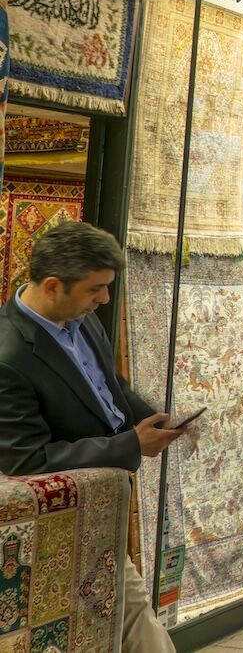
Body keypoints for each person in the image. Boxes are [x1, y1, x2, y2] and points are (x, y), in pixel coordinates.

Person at [0, 223, 184, 653]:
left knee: (135, 615)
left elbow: (105, 385)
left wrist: (151, 419)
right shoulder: (8, 356)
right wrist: (131, 446)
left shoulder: (78, 319)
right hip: (56, 526)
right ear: (51, 286)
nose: (104, 299)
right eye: (95, 289)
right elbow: (26, 460)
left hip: (99, 514)